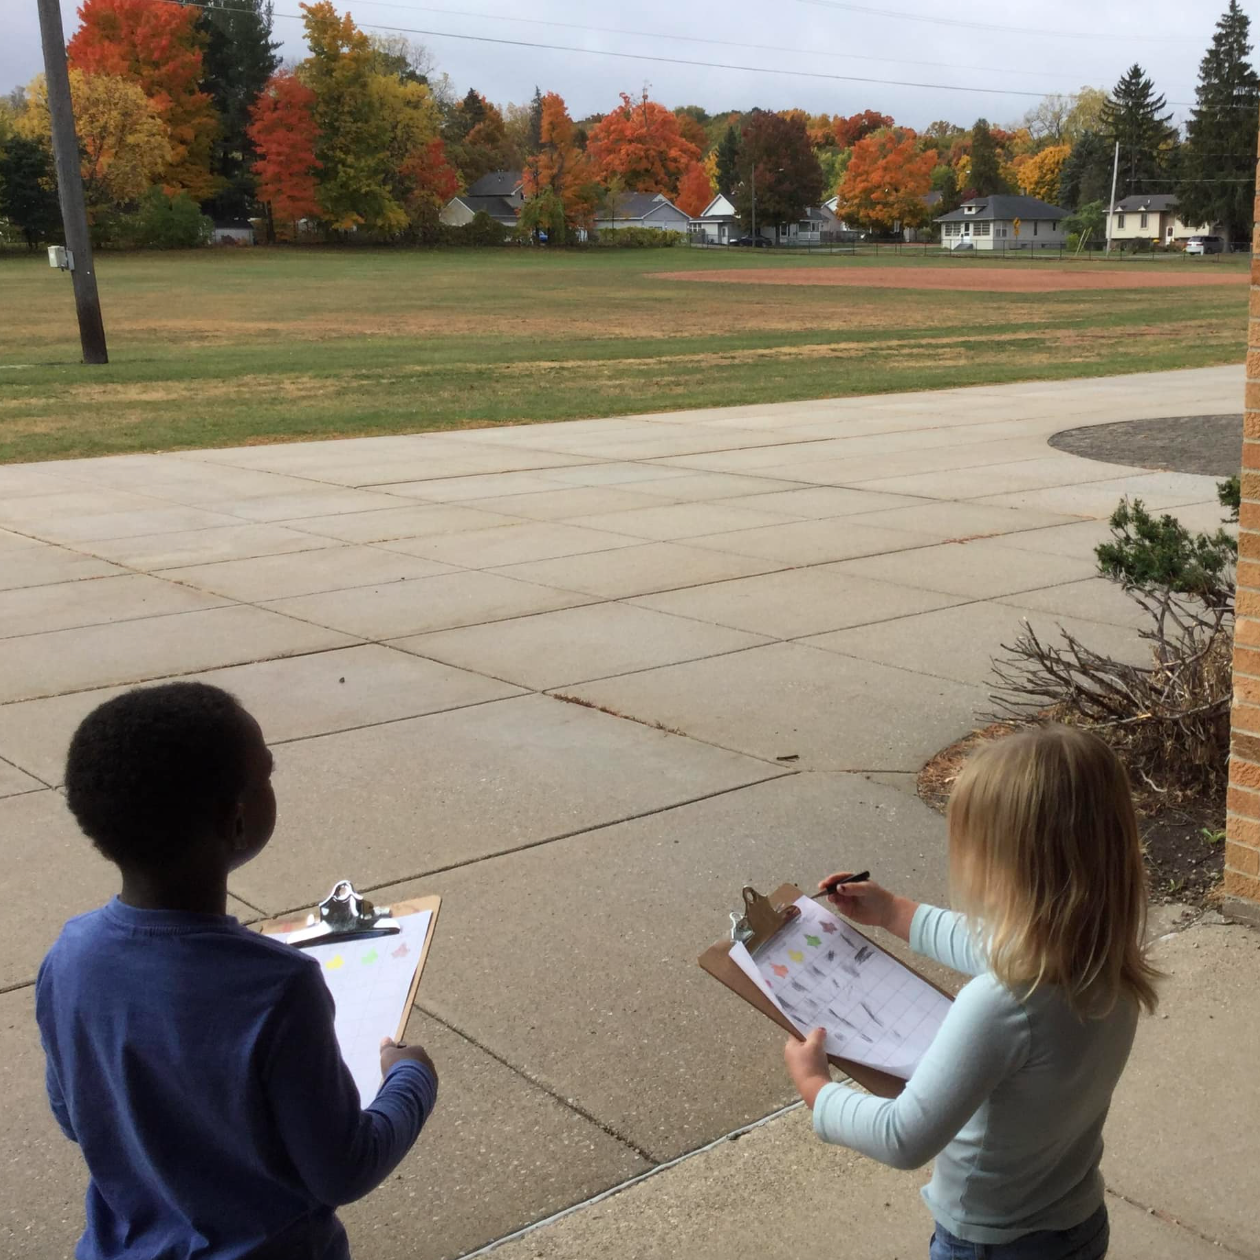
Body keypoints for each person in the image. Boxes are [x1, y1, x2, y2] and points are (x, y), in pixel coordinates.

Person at [37, 682, 438, 1260]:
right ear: (238, 820)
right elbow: (342, 1170)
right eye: (266, 774)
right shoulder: (279, 987)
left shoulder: (70, 956)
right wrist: (412, 1079)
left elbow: (76, 1118)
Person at [783, 725, 1160, 1260]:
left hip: (992, 1243)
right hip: (1076, 1221)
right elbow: (994, 944)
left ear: (1008, 865)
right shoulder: (1103, 957)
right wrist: (892, 911)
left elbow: (903, 1137)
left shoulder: (1003, 1004)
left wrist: (816, 1087)